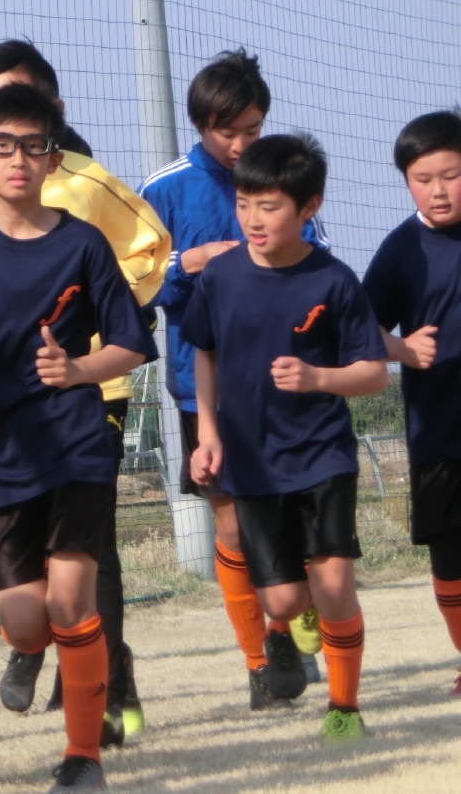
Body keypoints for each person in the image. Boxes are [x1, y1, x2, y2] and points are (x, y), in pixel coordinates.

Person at [0, 83, 157, 791]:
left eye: (33, 146)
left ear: (53, 159)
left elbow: (132, 343)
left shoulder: (84, 244)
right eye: (1, 146)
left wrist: (78, 370)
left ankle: (83, 757)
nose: (18, 159)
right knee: (25, 625)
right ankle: (74, 654)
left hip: (74, 443)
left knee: (71, 603)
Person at [139, 49, 328, 709]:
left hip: (284, 379)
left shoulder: (282, 175)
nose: (242, 144)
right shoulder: (164, 189)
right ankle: (259, 660)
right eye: (228, 131)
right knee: (230, 526)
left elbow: (319, 263)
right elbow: (133, 283)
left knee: (291, 517)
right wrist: (190, 261)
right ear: (201, 124)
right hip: (204, 385)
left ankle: (288, 621)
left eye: (253, 128)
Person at [184, 132, 387, 743]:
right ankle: (288, 624)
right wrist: (208, 433)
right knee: (281, 602)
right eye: (244, 203)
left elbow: (374, 372)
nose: (252, 219)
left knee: (334, 585)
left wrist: (317, 377)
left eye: (268, 207)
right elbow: (204, 353)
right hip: (251, 461)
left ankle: (344, 709)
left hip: (323, 455)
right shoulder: (219, 276)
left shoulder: (335, 280)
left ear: (308, 207)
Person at [362, 109, 461, 696]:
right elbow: (358, 330)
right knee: (449, 559)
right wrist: (402, 349)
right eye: (423, 179)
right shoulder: (402, 250)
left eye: (451, 175)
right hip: (439, 431)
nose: (438, 190)